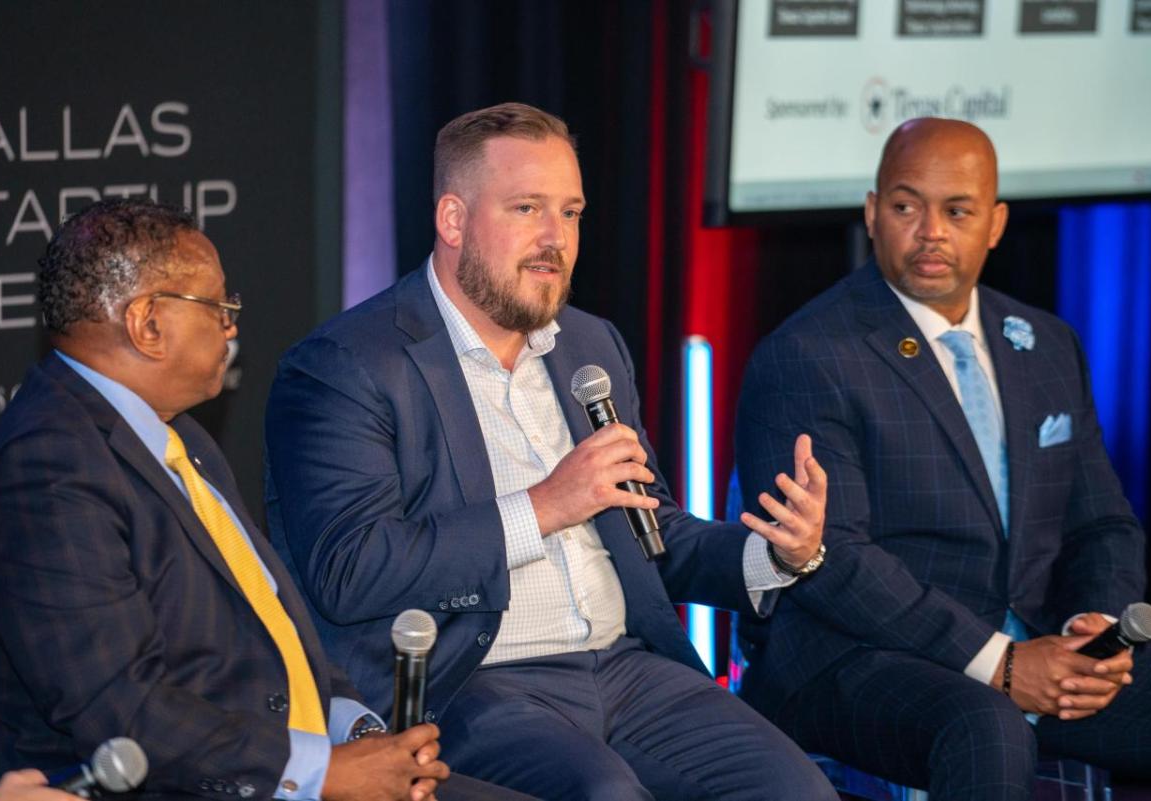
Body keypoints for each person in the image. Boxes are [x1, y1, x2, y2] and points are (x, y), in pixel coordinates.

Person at [264, 102, 836, 801]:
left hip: (629, 668)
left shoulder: (590, 346)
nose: (554, 239)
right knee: (607, 795)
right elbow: (349, 568)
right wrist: (543, 507)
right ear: (453, 220)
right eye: (527, 208)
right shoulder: (347, 365)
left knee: (797, 790)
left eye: (570, 213)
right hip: (475, 679)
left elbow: (655, 536)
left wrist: (776, 553)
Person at [734, 117, 1151, 800]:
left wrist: (1097, 630)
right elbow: (833, 558)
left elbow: (1103, 525)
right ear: (873, 214)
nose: (931, 230)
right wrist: (1001, 661)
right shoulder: (808, 356)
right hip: (861, 657)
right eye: (907, 206)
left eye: (957, 210)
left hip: (1037, 641)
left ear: (995, 224)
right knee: (989, 725)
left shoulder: (1049, 345)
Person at [0, 198, 455, 801]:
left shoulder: (175, 434)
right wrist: (325, 773)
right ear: (147, 324)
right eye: (219, 306)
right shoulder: (48, 470)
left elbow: (269, 620)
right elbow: (122, 712)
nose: (231, 325)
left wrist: (354, 728)